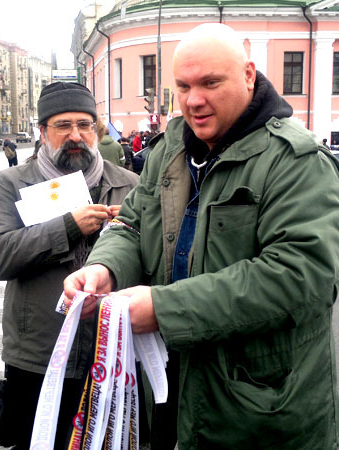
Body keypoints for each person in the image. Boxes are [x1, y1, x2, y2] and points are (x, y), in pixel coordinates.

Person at [63, 23, 339, 450]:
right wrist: (104, 267)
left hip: (256, 409)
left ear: (248, 75)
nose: (193, 100)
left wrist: (163, 309)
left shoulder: (297, 161)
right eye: (183, 86)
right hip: (168, 388)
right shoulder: (170, 149)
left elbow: (301, 276)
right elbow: (132, 223)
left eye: (211, 83)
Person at [0, 81, 139, 449]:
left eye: (84, 125)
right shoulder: (12, 184)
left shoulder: (129, 184)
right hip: (39, 356)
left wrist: (130, 232)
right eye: (63, 125)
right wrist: (68, 226)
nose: (75, 135)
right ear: (43, 132)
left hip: (111, 355)